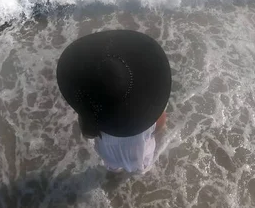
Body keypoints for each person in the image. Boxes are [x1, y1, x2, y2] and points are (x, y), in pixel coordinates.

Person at [56, 29, 172, 173]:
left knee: (112, 166)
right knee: (140, 166)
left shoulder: (92, 115)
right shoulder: (148, 113)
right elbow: (160, 126)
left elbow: (88, 133)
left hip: (108, 154)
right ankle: (137, 173)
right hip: (138, 154)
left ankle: (114, 171)